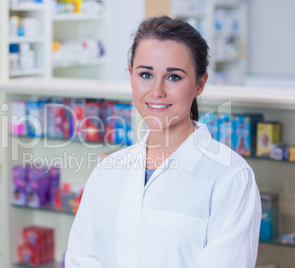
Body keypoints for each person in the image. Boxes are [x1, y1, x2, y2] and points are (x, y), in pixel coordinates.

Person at [65, 16, 261, 268]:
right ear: (130, 76)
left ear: (200, 83)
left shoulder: (231, 178)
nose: (156, 91)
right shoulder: (107, 171)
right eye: (146, 74)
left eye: (174, 77)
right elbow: (80, 259)